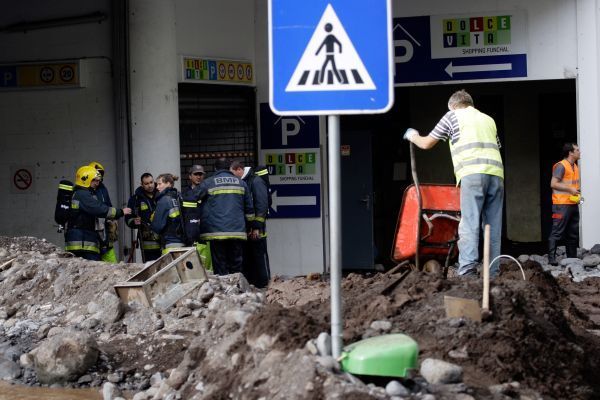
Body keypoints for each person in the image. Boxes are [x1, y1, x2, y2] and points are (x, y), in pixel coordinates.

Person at [403, 89, 504, 277]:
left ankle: (467, 271)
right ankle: (493, 271)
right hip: (496, 175)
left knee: (469, 223)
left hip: (472, 174)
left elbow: (426, 143)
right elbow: (496, 146)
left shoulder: (452, 116)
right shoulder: (488, 119)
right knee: (492, 226)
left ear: (453, 105)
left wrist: (412, 135)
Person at [192, 158, 254, 275]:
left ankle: (224, 290)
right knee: (236, 263)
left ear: (215, 168)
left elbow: (194, 197)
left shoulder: (208, 182)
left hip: (216, 232)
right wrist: (249, 226)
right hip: (237, 231)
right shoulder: (241, 183)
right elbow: (249, 209)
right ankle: (237, 288)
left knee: (220, 264)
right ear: (229, 168)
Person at [65, 165, 131, 260]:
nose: (98, 183)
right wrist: (120, 212)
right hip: (83, 243)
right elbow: (100, 209)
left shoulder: (79, 193)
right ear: (86, 180)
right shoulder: (83, 195)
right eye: (95, 180)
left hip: (80, 241)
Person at [232, 162, 271, 288]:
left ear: (239, 170)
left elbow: (262, 204)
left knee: (259, 258)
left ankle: (264, 286)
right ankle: (252, 286)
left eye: (233, 173)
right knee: (249, 259)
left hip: (256, 230)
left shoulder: (255, 181)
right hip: (247, 229)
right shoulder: (245, 182)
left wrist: (256, 227)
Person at [548, 143, 581, 265]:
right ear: (570, 152)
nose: (579, 152)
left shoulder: (574, 166)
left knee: (572, 233)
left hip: (572, 204)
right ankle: (551, 260)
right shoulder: (561, 166)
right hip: (561, 205)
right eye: (577, 150)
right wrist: (570, 189)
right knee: (557, 232)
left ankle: (572, 259)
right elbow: (553, 183)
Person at [125, 173, 161, 262]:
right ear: (142, 185)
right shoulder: (135, 199)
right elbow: (128, 219)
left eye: (151, 182)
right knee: (150, 269)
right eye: (146, 183)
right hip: (147, 244)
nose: (150, 185)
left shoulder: (161, 195)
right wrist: (134, 221)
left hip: (163, 241)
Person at [89, 161, 118, 262]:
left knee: (112, 264)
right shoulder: (85, 190)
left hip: (105, 231)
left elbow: (108, 205)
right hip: (92, 234)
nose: (98, 179)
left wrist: (112, 221)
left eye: (100, 175)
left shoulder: (102, 188)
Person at [150, 173, 186, 253]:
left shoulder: (164, 200)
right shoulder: (179, 197)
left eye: (160, 184)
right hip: (182, 242)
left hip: (170, 243)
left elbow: (157, 225)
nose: (157, 187)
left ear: (168, 184)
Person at [181, 165, 206, 245]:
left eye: (200, 174)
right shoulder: (184, 193)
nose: (198, 177)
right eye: (196, 174)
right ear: (190, 176)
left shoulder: (208, 192)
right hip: (189, 234)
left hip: (205, 232)